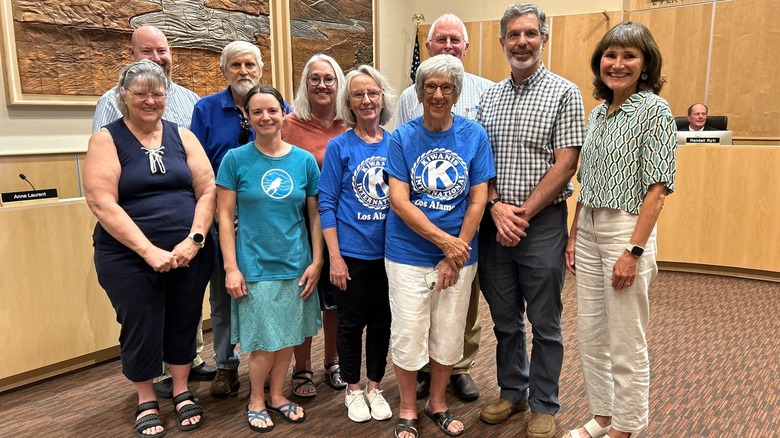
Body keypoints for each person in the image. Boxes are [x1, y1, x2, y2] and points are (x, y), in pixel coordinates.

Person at [83, 60, 216, 437]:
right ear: (123, 96)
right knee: (140, 323)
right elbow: (101, 202)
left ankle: (181, 388)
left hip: (189, 252)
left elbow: (206, 189)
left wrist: (194, 240)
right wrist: (148, 251)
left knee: (184, 319)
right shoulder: (107, 139)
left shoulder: (183, 135)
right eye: (140, 93)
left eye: (157, 93)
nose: (150, 100)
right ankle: (145, 397)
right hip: (127, 256)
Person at [475, 3, 585, 437]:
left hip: (541, 225)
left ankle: (544, 402)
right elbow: (478, 162)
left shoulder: (564, 92)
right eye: (513, 35)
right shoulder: (490, 96)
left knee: (545, 320)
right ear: (502, 42)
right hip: (494, 222)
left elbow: (566, 163)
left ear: (544, 37)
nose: (522, 42)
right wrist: (497, 207)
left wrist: (522, 212)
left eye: (530, 34)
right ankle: (512, 390)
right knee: (504, 317)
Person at [563, 22, 676, 438]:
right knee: (592, 334)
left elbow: (658, 190)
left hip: (625, 232)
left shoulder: (655, 111)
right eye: (610, 55)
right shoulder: (598, 112)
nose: (618, 64)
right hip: (590, 226)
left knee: (626, 338)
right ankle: (604, 415)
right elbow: (587, 181)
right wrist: (575, 234)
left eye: (629, 56)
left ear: (645, 64)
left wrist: (633, 252)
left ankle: (627, 425)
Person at [386, 54, 495, 438]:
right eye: (429, 86)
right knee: (409, 331)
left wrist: (457, 250)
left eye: (446, 87)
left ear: (456, 93)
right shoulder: (402, 137)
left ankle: (437, 403)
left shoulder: (474, 135)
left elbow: (478, 198)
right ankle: (408, 409)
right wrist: (445, 243)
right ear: (418, 93)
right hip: (408, 254)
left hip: (461, 255)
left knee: (448, 332)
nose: (437, 94)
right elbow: (399, 200)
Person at [216, 85, 322, 432]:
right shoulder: (235, 160)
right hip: (255, 265)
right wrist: (231, 268)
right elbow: (224, 216)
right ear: (247, 118)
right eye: (257, 112)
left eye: (272, 110)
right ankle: (256, 398)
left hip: (295, 262)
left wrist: (317, 260)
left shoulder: (303, 160)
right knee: (263, 341)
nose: (266, 117)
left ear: (283, 114)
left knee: (289, 337)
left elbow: (316, 215)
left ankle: (277, 395)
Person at [318, 65, 396, 423]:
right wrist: (334, 258)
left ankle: (375, 386)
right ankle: (352, 389)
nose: (366, 100)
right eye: (358, 94)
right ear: (348, 102)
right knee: (350, 324)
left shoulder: (396, 142)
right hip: (350, 254)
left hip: (391, 254)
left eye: (373, 93)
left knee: (382, 322)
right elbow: (327, 204)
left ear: (382, 98)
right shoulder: (339, 146)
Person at [190, 40, 265, 398]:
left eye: (250, 65)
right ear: (224, 71)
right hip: (223, 223)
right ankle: (225, 365)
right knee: (223, 296)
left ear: (261, 69)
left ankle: (272, 364)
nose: (244, 72)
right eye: (235, 65)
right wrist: (222, 216)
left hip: (267, 224)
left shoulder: (275, 106)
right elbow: (199, 171)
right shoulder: (205, 110)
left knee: (268, 293)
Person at [281, 53, 348, 397]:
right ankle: (302, 367)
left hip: (340, 228)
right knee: (304, 297)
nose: (322, 85)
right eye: (315, 78)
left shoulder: (349, 125)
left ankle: (332, 362)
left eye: (329, 78)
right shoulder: (288, 125)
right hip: (299, 228)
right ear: (306, 84)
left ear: (339, 84)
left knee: (335, 300)